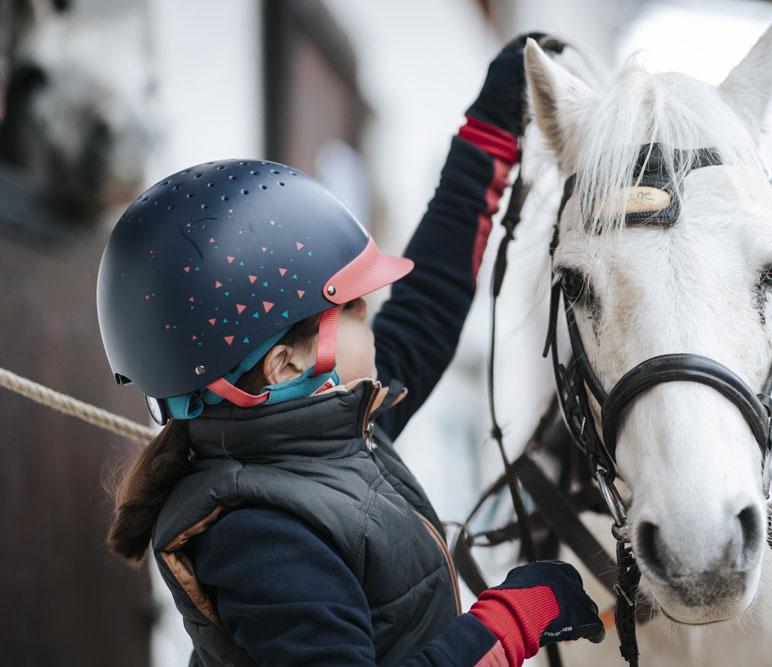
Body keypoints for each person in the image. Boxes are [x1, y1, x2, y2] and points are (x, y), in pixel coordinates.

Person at [97, 34, 604, 666]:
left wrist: (489, 135)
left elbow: (430, 304)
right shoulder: (262, 537)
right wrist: (506, 625)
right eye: (356, 309)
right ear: (286, 365)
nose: (378, 321)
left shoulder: (328, 430)